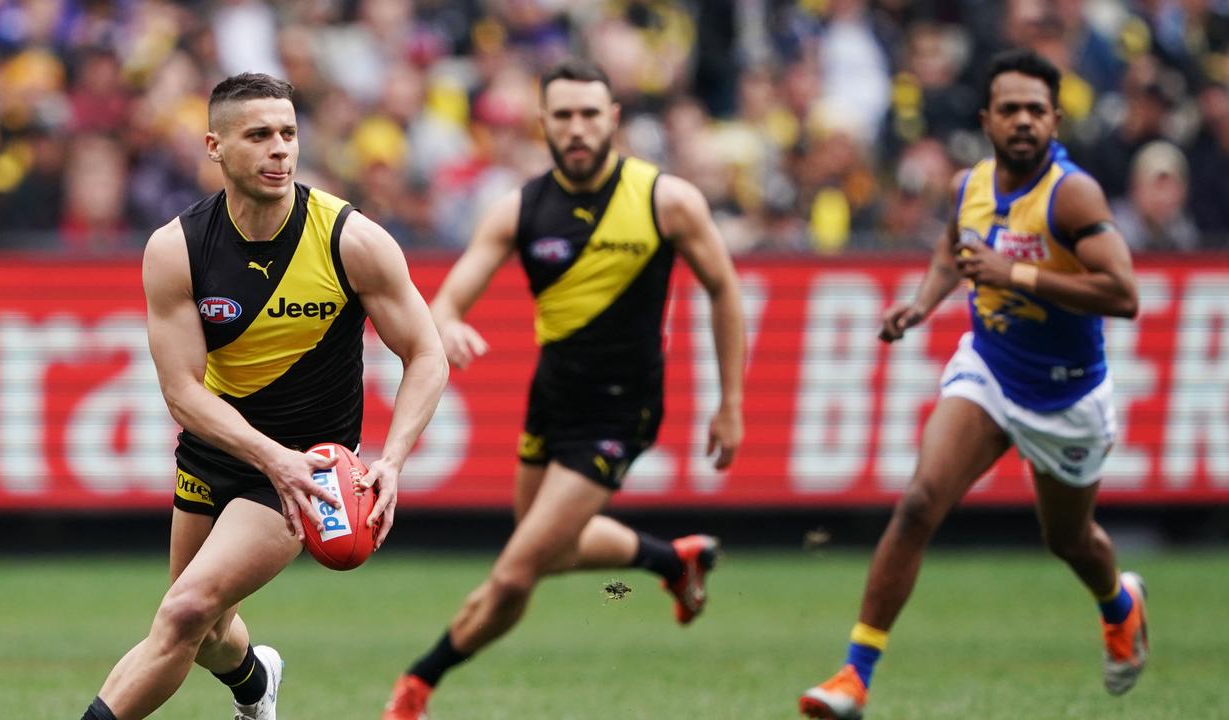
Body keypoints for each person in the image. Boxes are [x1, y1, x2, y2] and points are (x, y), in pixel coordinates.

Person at [381, 58, 746, 719]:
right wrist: (448, 324)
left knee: (519, 570)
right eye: (564, 116)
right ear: (543, 123)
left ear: (613, 119)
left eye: (590, 114)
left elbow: (724, 290)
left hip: (622, 407)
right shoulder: (521, 208)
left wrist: (732, 403)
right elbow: (448, 298)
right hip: (552, 398)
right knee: (544, 544)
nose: (577, 128)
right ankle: (674, 561)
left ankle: (418, 684)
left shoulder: (667, 200)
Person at [79, 72, 448, 720]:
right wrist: (264, 454)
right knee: (207, 634)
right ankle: (256, 684)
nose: (280, 149)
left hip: (306, 468)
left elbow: (426, 354)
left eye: (288, 133)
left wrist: (388, 461)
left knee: (185, 611)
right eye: (259, 135)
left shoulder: (349, 240)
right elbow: (182, 394)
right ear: (215, 146)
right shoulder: (177, 249)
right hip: (218, 452)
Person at [799, 49, 1147, 719]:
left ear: (1056, 119)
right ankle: (853, 676)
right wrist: (923, 305)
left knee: (1069, 541)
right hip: (988, 370)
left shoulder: (1072, 194)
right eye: (1010, 109)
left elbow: (1123, 293)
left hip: (1066, 397)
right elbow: (950, 251)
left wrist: (1011, 274)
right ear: (986, 118)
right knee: (919, 502)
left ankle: (1119, 606)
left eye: (1036, 111)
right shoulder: (970, 185)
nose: (1023, 122)